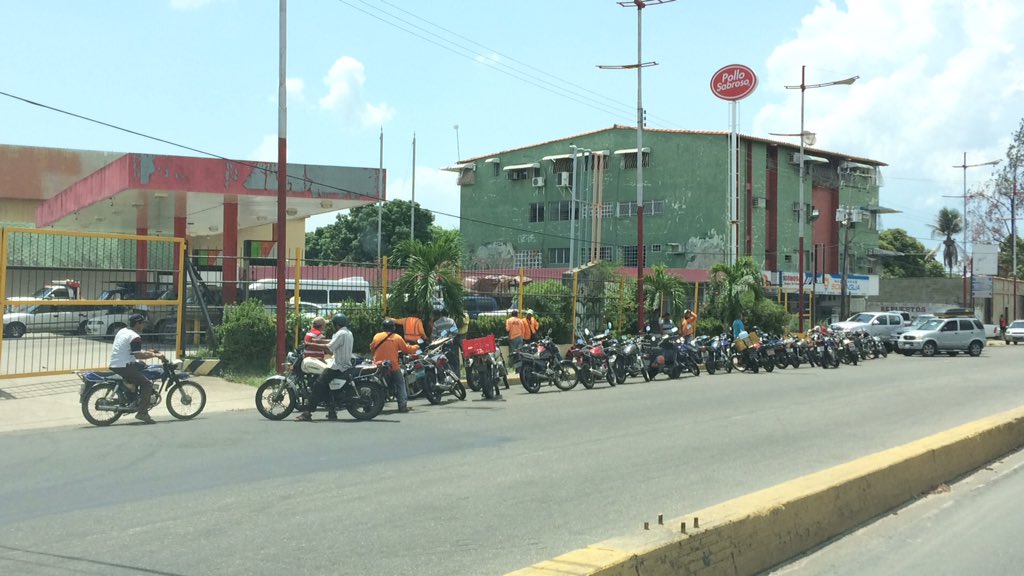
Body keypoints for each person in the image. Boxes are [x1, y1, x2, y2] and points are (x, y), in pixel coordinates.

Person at [296, 314, 354, 422]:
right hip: (344, 365)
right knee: (326, 386)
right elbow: (332, 342)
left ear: (336, 324)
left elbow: (329, 348)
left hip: (337, 366)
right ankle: (332, 411)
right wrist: (317, 342)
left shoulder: (340, 333)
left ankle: (307, 413)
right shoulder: (347, 333)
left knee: (318, 385)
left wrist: (310, 344)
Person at [109, 313, 164, 424]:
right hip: (124, 365)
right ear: (138, 324)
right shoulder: (135, 337)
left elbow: (135, 352)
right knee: (147, 384)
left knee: (142, 365)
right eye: (143, 323)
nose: (144, 326)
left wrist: (149, 352)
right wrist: (155, 355)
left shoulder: (123, 331)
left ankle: (133, 391)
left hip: (118, 363)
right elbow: (138, 355)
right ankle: (142, 413)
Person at [371, 318, 419, 413]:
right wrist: (416, 347)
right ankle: (402, 406)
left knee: (374, 383)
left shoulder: (377, 336)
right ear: (393, 328)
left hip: (378, 365)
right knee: (400, 383)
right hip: (392, 366)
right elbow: (406, 349)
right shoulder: (397, 337)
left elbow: (372, 348)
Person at [432, 308, 459, 375]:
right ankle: (454, 374)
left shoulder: (436, 323)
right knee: (452, 360)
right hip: (449, 344)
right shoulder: (451, 321)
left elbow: (433, 336)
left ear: (441, 314)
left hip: (439, 346)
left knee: (440, 361)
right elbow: (455, 331)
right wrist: (450, 336)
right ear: (448, 314)